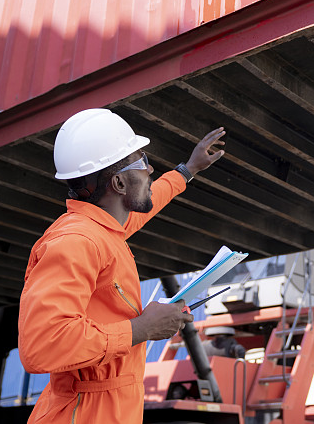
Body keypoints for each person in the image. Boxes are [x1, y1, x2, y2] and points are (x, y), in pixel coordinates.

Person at [18, 108, 225, 424]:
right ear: (118, 182)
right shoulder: (76, 241)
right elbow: (42, 346)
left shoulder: (102, 231)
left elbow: (147, 203)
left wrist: (187, 170)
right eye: (142, 163)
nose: (151, 169)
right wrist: (143, 328)